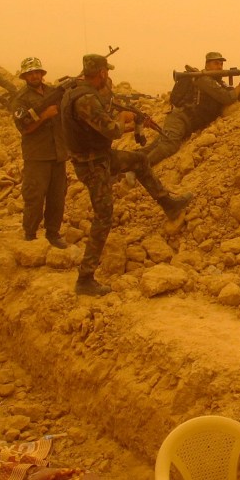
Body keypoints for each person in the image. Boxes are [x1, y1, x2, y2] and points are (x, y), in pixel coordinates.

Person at [61, 54, 194, 297]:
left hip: (99, 157)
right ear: (101, 73)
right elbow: (112, 131)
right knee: (104, 216)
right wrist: (123, 119)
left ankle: (169, 204)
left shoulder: (75, 92)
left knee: (140, 160)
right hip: (92, 164)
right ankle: (85, 279)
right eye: (107, 72)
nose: (108, 76)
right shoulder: (85, 99)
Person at [142, 51, 240, 165]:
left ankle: (127, 163)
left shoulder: (217, 82)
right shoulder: (204, 79)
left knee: (154, 146)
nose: (220, 67)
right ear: (207, 65)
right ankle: (138, 168)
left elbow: (234, 95)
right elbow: (227, 97)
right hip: (179, 119)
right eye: (216, 64)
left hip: (186, 123)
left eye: (221, 64)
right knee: (169, 146)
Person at [11, 57, 68, 248]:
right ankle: (30, 234)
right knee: (35, 197)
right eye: (30, 73)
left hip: (58, 153)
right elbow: (24, 128)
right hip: (37, 156)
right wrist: (44, 116)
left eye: (37, 72)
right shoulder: (21, 99)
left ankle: (53, 233)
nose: (34, 76)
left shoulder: (53, 92)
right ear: (25, 76)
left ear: (42, 74)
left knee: (57, 197)